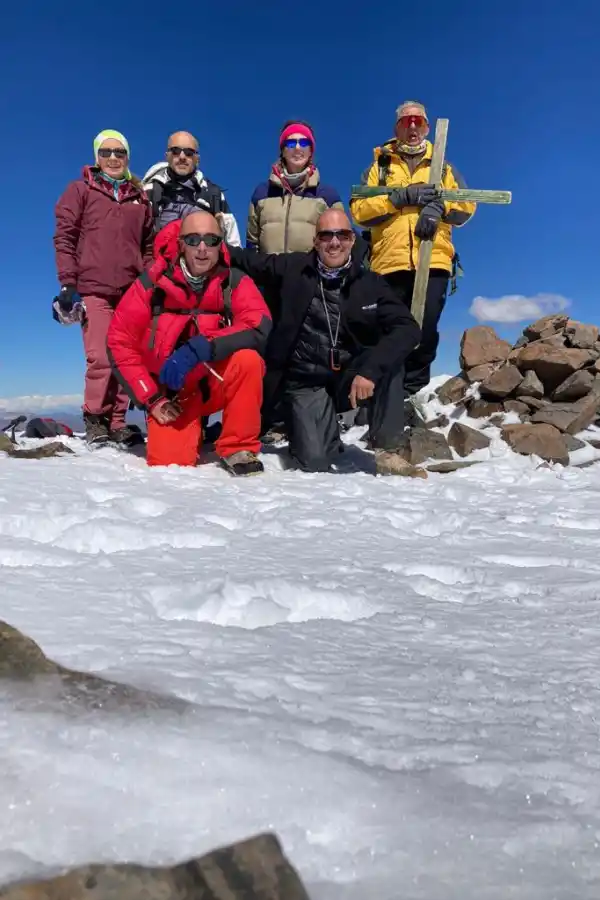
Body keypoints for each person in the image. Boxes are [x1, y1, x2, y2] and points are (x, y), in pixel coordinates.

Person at [228, 209, 422, 476]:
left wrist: (369, 371)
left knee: (389, 362)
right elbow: (250, 260)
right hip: (306, 380)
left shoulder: (370, 283)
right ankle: (316, 429)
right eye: (326, 235)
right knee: (315, 462)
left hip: (351, 379)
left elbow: (408, 329)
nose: (334, 242)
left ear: (352, 240)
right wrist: (209, 242)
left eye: (342, 235)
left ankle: (388, 451)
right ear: (315, 241)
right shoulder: (294, 268)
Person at [107, 211, 272, 476]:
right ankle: (194, 430)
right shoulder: (153, 283)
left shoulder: (234, 281)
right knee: (170, 463)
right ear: (181, 243)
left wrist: (203, 346)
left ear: (222, 244)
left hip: (212, 382)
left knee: (248, 360)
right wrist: (152, 398)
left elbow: (259, 323)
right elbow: (119, 340)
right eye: (194, 240)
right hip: (171, 396)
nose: (203, 249)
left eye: (212, 240)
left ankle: (238, 446)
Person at [350, 100, 475, 397]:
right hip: (388, 262)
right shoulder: (379, 165)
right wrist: (395, 199)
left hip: (433, 260)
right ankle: (385, 394)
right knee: (388, 329)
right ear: (397, 128)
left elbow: (467, 204)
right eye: (406, 122)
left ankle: (414, 391)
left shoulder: (442, 164)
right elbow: (359, 210)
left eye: (418, 121)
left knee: (426, 325)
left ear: (427, 127)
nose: (413, 127)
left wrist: (439, 209)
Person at [53, 129, 154, 446]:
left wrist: (149, 280)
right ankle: (95, 418)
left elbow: (149, 245)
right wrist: (68, 283)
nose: (113, 158)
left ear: (127, 158)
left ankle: (118, 422)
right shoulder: (80, 190)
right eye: (106, 152)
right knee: (100, 356)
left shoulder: (140, 198)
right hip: (93, 288)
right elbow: (65, 237)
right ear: (96, 156)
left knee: (126, 356)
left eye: (119, 153)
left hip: (130, 290)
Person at [246, 120, 343, 256]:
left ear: (310, 151)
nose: (297, 148)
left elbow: (340, 242)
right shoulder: (262, 193)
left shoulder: (327, 195)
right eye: (291, 143)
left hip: (309, 276)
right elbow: (252, 243)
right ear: (283, 151)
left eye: (304, 143)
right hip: (267, 275)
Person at [142, 131, 241, 246]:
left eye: (189, 153)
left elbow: (233, 242)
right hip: (160, 261)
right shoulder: (150, 190)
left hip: (202, 260)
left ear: (197, 159)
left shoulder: (213, 195)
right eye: (176, 151)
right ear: (167, 156)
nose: (182, 157)